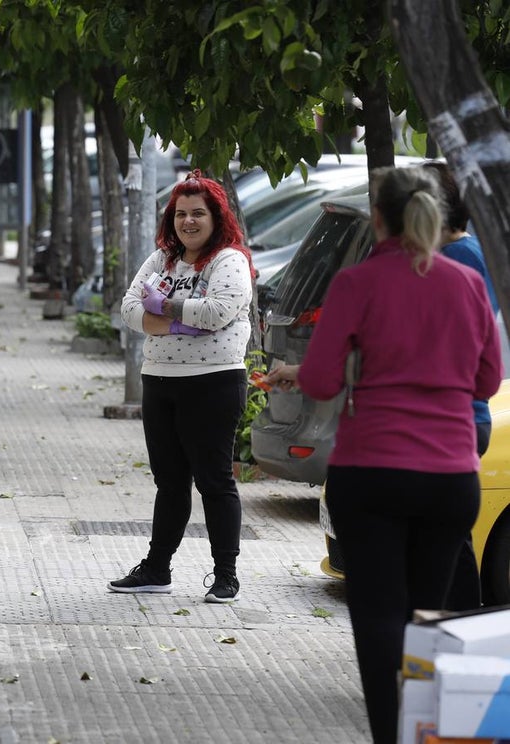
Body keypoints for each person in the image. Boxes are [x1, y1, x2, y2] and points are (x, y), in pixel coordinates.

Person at [264, 166, 502, 744]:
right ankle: (429, 733)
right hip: (448, 478)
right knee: (429, 617)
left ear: (379, 218)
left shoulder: (358, 284)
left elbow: (319, 380)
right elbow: (489, 379)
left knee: (377, 619)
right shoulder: (467, 281)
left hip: (371, 473)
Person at [110, 170, 254, 604]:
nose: (188, 222)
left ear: (216, 217)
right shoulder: (161, 261)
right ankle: (157, 569)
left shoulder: (229, 260)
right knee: (169, 482)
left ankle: (226, 575)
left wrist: (164, 309)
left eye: (198, 214)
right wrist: (179, 321)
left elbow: (217, 312)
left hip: (214, 384)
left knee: (214, 481)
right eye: (180, 214)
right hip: (160, 382)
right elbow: (130, 310)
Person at [426, 160, 502, 610]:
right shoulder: (449, 255)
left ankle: (456, 639)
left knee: (449, 545)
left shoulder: (461, 259)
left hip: (455, 420)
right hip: (449, 419)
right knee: (446, 545)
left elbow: (468, 351)